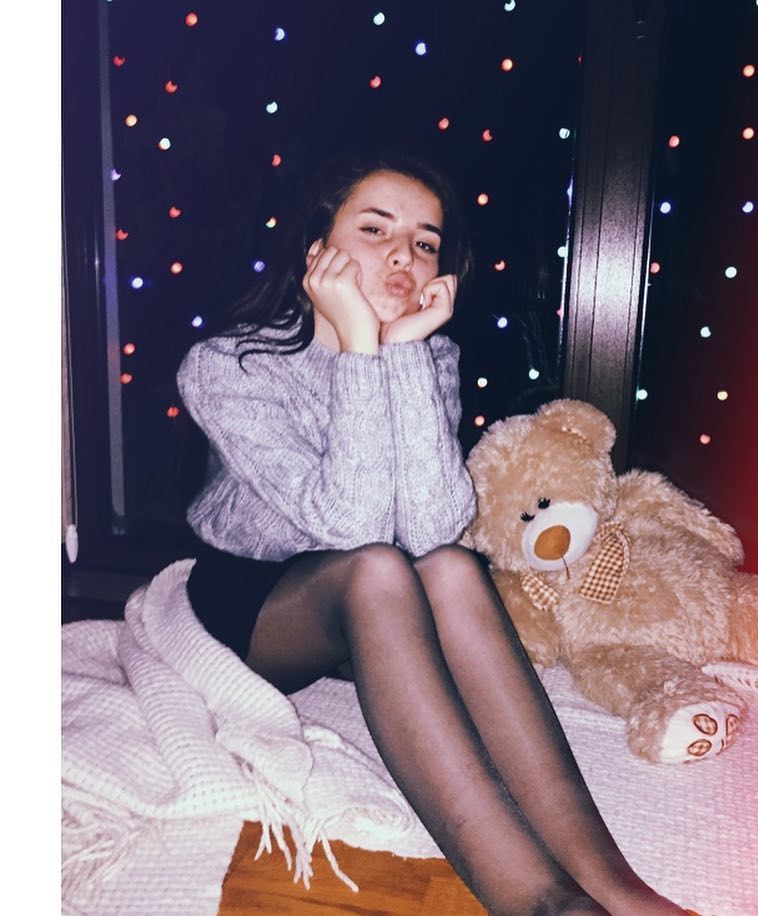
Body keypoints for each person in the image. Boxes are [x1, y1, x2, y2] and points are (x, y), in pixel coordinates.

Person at [177, 146, 684, 916]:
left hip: (373, 598)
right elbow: (351, 529)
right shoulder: (228, 365)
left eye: (424, 242)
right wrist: (359, 348)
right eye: (375, 229)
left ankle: (616, 885)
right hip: (253, 605)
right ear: (317, 252)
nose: (403, 257)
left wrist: (402, 351)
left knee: (450, 568)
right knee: (376, 568)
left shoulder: (428, 354)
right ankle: (542, 902)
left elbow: (433, 531)